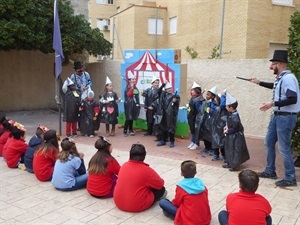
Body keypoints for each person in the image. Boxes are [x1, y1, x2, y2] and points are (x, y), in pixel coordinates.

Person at [249, 50, 300, 187]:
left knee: (284, 148)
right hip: (278, 116)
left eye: (274, 64)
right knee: (268, 142)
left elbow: (292, 98)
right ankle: (270, 170)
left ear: (281, 64)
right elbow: (275, 87)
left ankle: (290, 178)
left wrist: (272, 104)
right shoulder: (281, 78)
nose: (272, 67)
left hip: (285, 118)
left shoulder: (288, 78)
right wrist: (258, 82)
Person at [114, 143, 166, 212]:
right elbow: (160, 184)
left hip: (118, 202)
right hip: (136, 206)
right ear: (144, 156)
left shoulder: (124, 165)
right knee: (162, 189)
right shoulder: (147, 170)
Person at [159, 160, 211, 225]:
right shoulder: (202, 185)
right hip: (204, 219)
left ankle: (173, 215)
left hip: (190, 220)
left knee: (163, 202)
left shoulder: (181, 187)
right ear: (196, 172)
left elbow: (176, 203)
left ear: (181, 173)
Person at [222, 92, 250, 171]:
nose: (226, 107)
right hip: (231, 135)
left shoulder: (234, 116)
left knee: (235, 150)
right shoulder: (232, 114)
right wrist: (226, 127)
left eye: (227, 106)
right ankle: (230, 162)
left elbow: (235, 127)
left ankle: (235, 165)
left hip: (235, 136)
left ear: (231, 107)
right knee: (229, 149)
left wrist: (227, 131)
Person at [155, 82, 180, 148]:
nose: (169, 89)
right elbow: (158, 91)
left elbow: (177, 103)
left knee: (171, 127)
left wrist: (175, 101)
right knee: (163, 127)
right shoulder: (163, 95)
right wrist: (163, 84)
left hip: (170, 115)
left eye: (170, 88)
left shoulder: (175, 95)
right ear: (165, 89)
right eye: (168, 88)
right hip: (163, 114)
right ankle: (163, 140)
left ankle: (172, 141)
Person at [70, 61, 92, 130]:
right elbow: (71, 86)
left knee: (86, 109)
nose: (81, 71)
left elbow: (90, 82)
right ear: (75, 70)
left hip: (86, 94)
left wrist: (87, 86)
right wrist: (78, 88)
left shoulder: (86, 74)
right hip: (78, 94)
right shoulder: (73, 76)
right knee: (79, 110)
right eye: (79, 70)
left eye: (81, 69)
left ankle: (86, 124)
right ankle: (80, 126)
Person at [187, 81, 205, 150]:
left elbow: (199, 110)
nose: (191, 92)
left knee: (195, 130)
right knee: (192, 130)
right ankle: (193, 141)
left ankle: (196, 143)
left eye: (193, 90)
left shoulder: (199, 100)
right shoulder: (193, 98)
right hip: (191, 117)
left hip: (195, 118)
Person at [211, 91, 227, 161]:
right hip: (215, 128)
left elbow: (222, 105)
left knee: (222, 143)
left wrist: (223, 96)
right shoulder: (216, 107)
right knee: (215, 142)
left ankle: (223, 155)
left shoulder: (223, 108)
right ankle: (216, 154)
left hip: (221, 128)